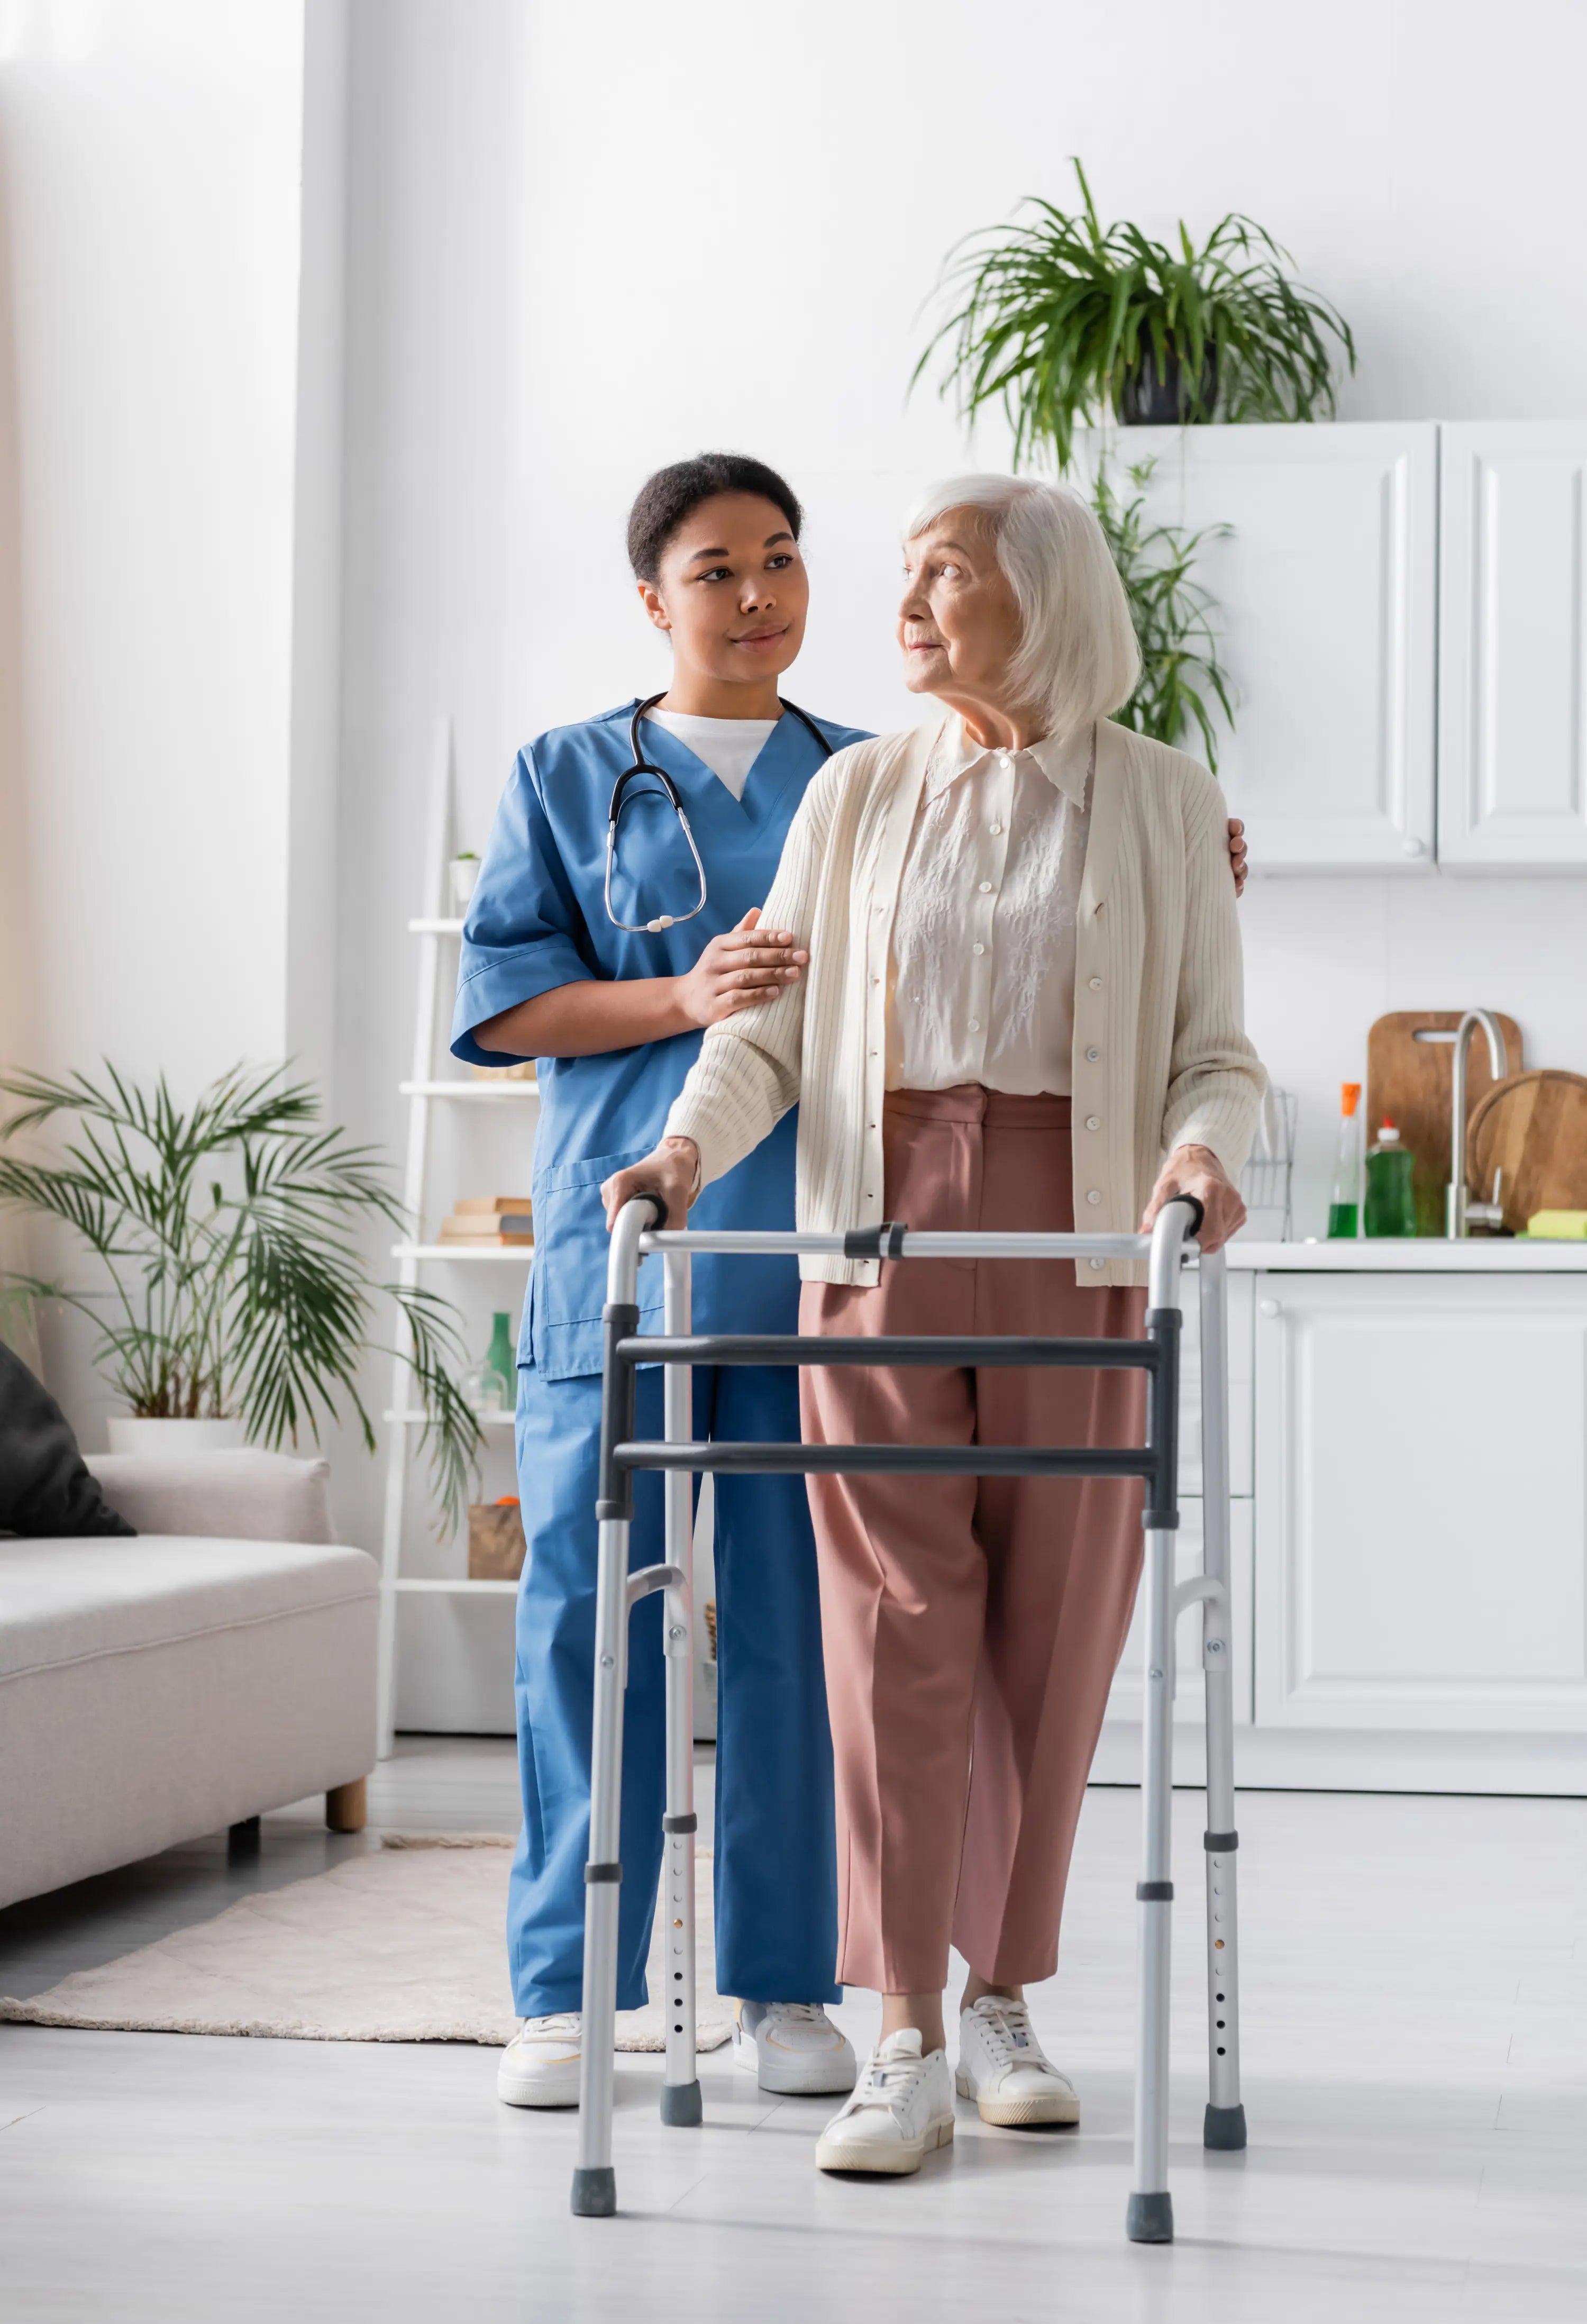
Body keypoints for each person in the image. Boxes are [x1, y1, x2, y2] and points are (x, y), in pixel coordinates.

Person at [604, 473, 1265, 2178]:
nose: (899, 606)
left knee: (1056, 1626)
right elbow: (773, 1030)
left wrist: (1202, 1151)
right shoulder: (855, 790)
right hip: (880, 1221)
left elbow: (1214, 1047)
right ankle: (899, 2024)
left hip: (1078, 1225)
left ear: (1036, 597)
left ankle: (1004, 1997)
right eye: (899, 576)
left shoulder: (1167, 802)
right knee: (893, 1615)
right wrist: (680, 1148)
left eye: (942, 578)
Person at [453, 455, 868, 2108]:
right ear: (653, 598)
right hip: (616, 1251)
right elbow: (509, 1007)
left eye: (780, 560)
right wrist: (684, 999)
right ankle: (567, 1994)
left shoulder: (870, 776)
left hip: (809, 1253)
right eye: (716, 569)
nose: (756, 595)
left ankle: (784, 1985)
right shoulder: (566, 773)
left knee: (794, 1630)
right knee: (580, 1625)